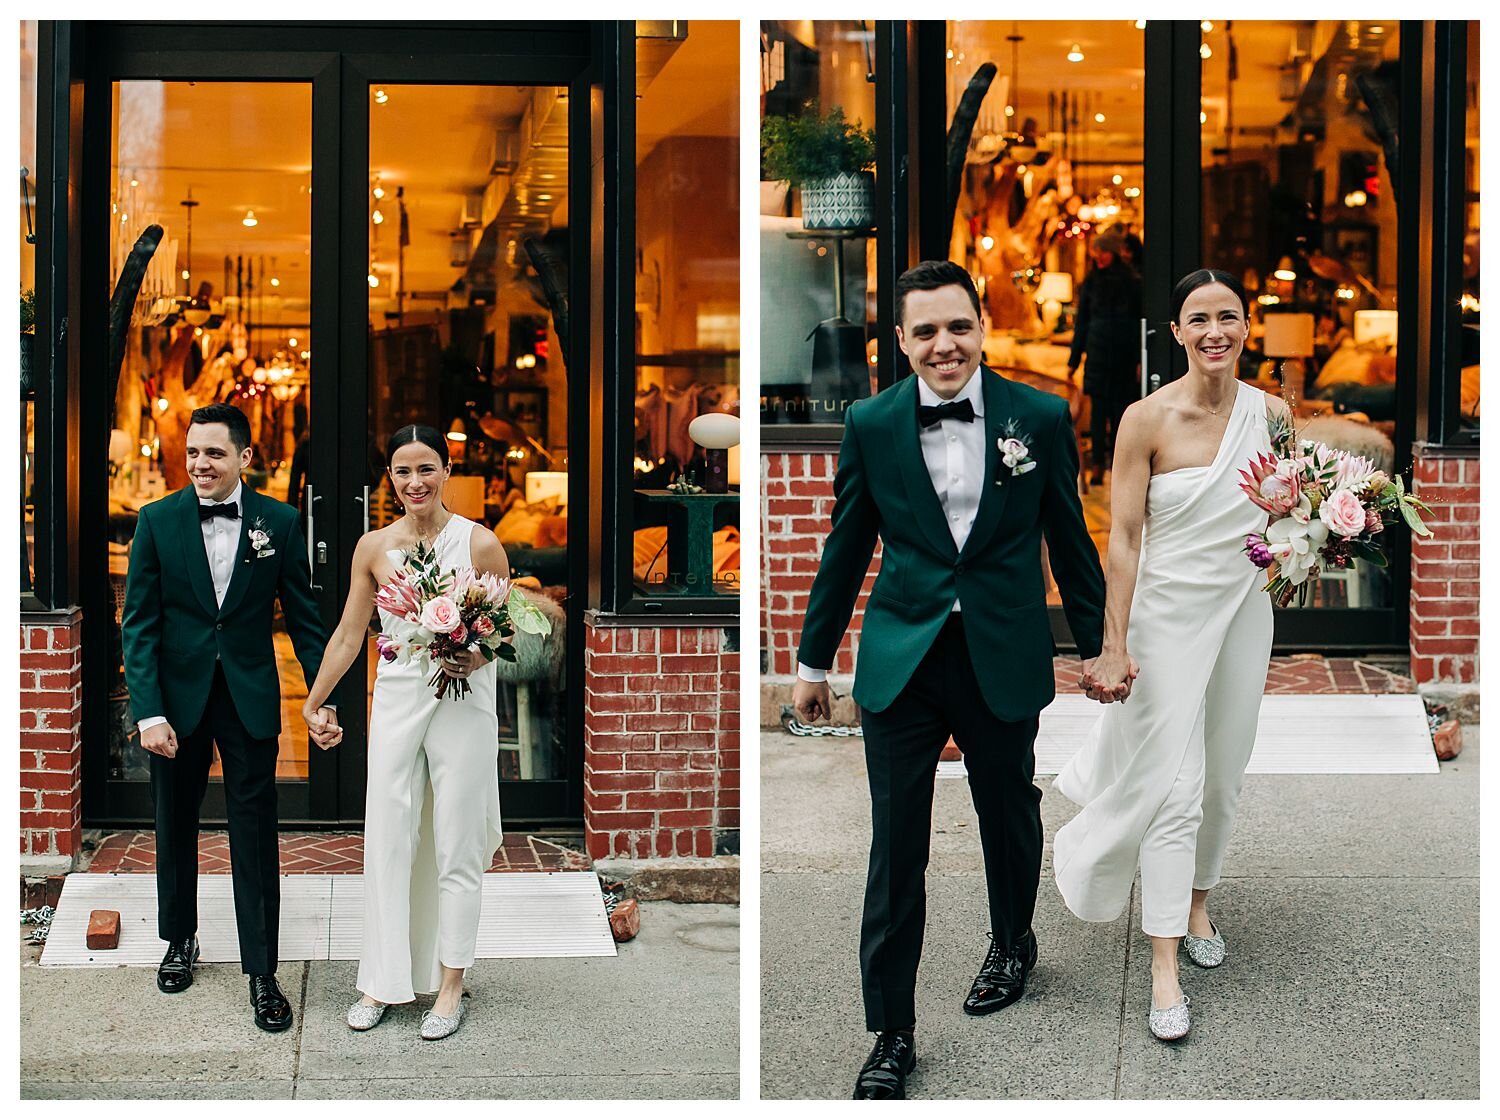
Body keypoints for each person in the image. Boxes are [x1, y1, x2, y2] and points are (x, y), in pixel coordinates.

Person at [792, 260, 1118, 1099]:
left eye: (958, 326)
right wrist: (812, 661)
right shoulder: (871, 422)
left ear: (983, 327)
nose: (945, 344)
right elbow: (846, 546)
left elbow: (1072, 543)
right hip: (903, 658)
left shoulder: (1040, 417)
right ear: (900, 341)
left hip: (1002, 654)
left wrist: (1098, 647)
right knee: (896, 848)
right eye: (926, 331)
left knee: (1008, 811)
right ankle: (890, 1033)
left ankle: (1013, 942)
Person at [1055, 269, 1285, 1042]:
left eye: (1229, 317)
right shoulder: (1144, 420)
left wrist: (1296, 535)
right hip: (1163, 620)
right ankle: (1162, 965)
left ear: (1246, 327)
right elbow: (1122, 538)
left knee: (1222, 775)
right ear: (1177, 333)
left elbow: (1287, 532)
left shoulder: (1274, 415)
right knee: (1173, 785)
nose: (1215, 331)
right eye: (1199, 319)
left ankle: (1197, 899)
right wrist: (1113, 644)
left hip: (1244, 616)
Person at [121, 402, 339, 1032]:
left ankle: (262, 970)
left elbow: (303, 619)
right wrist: (148, 710)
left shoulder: (280, 520)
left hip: (247, 698)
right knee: (175, 821)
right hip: (177, 702)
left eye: (214, 453)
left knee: (253, 830)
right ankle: (179, 938)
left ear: (245, 458)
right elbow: (138, 624)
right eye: (192, 453)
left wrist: (323, 698)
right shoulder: (157, 522)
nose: (199, 464)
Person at [301, 423, 510, 1041]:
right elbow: (347, 634)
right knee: (388, 838)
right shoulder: (372, 547)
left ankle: (450, 983)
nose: (414, 482)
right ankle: (381, 979)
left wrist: (474, 655)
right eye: (402, 471)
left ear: (447, 470)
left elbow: (506, 630)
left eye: (426, 468)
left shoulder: (481, 544)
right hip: (395, 698)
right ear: (388, 479)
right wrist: (314, 703)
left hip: (462, 702)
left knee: (456, 839)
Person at [1068, 228, 1144, 486]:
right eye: (1096, 251)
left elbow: (1138, 322)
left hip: (1123, 354)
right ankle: (1098, 465)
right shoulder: (1090, 282)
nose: (1098, 256)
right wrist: (1074, 360)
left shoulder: (1132, 281)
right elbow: (1082, 322)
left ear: (1113, 253)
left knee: (1121, 413)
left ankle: (1119, 466)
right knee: (1099, 411)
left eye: (1103, 251)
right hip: (1098, 353)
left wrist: (1139, 360)